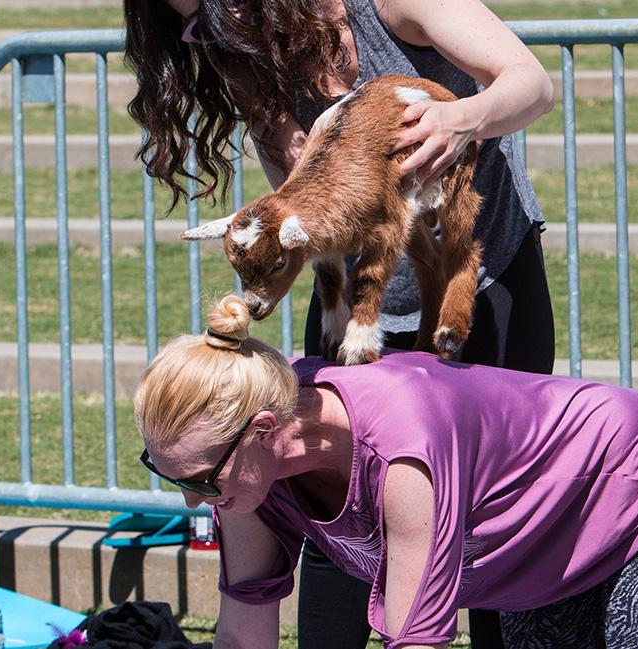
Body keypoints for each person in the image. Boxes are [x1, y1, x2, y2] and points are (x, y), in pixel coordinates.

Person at [122, 1, 557, 646]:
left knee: (491, 524)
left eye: (214, 10)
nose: (209, 32)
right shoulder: (246, 58)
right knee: (335, 522)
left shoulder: (388, 6)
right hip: (356, 317)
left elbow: (531, 84)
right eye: (190, 24)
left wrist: (457, 121)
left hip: (480, 292)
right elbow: (302, 219)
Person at [134, 295, 638, 649]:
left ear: (264, 430)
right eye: (176, 479)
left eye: (201, 481)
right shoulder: (246, 475)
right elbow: (243, 633)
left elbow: (415, 639)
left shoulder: (403, 449)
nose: (194, 502)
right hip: (532, 553)